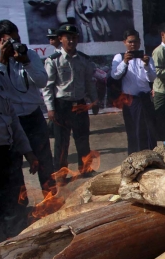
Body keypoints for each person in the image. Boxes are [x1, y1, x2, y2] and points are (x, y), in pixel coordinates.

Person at [0, 27, 39, 240]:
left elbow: (12, 120)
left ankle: (17, 255)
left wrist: (29, 152)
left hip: (7, 157)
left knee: (13, 212)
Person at [0, 20, 54, 194]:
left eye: (17, 39)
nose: (15, 45)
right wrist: (3, 62)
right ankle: (22, 205)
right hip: (11, 121)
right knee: (14, 165)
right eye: (10, 41)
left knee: (45, 161)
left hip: (33, 116)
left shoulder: (30, 55)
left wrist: (26, 62)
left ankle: (51, 199)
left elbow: (42, 81)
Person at [43, 24, 99, 177]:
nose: (71, 41)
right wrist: (51, 108)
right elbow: (48, 86)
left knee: (83, 139)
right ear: (60, 39)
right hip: (62, 106)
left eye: (74, 38)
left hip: (80, 104)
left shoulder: (83, 60)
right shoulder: (53, 60)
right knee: (61, 143)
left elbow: (89, 82)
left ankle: (85, 169)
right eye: (68, 38)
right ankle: (61, 175)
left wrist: (94, 101)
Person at [111, 29, 157, 154]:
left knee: (149, 130)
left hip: (145, 98)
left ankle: (152, 156)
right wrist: (125, 62)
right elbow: (115, 75)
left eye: (136, 42)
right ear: (124, 42)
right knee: (133, 131)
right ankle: (134, 158)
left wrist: (147, 65)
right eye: (130, 42)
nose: (133, 45)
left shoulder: (147, 57)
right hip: (130, 100)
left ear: (140, 42)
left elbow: (152, 78)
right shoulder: (119, 57)